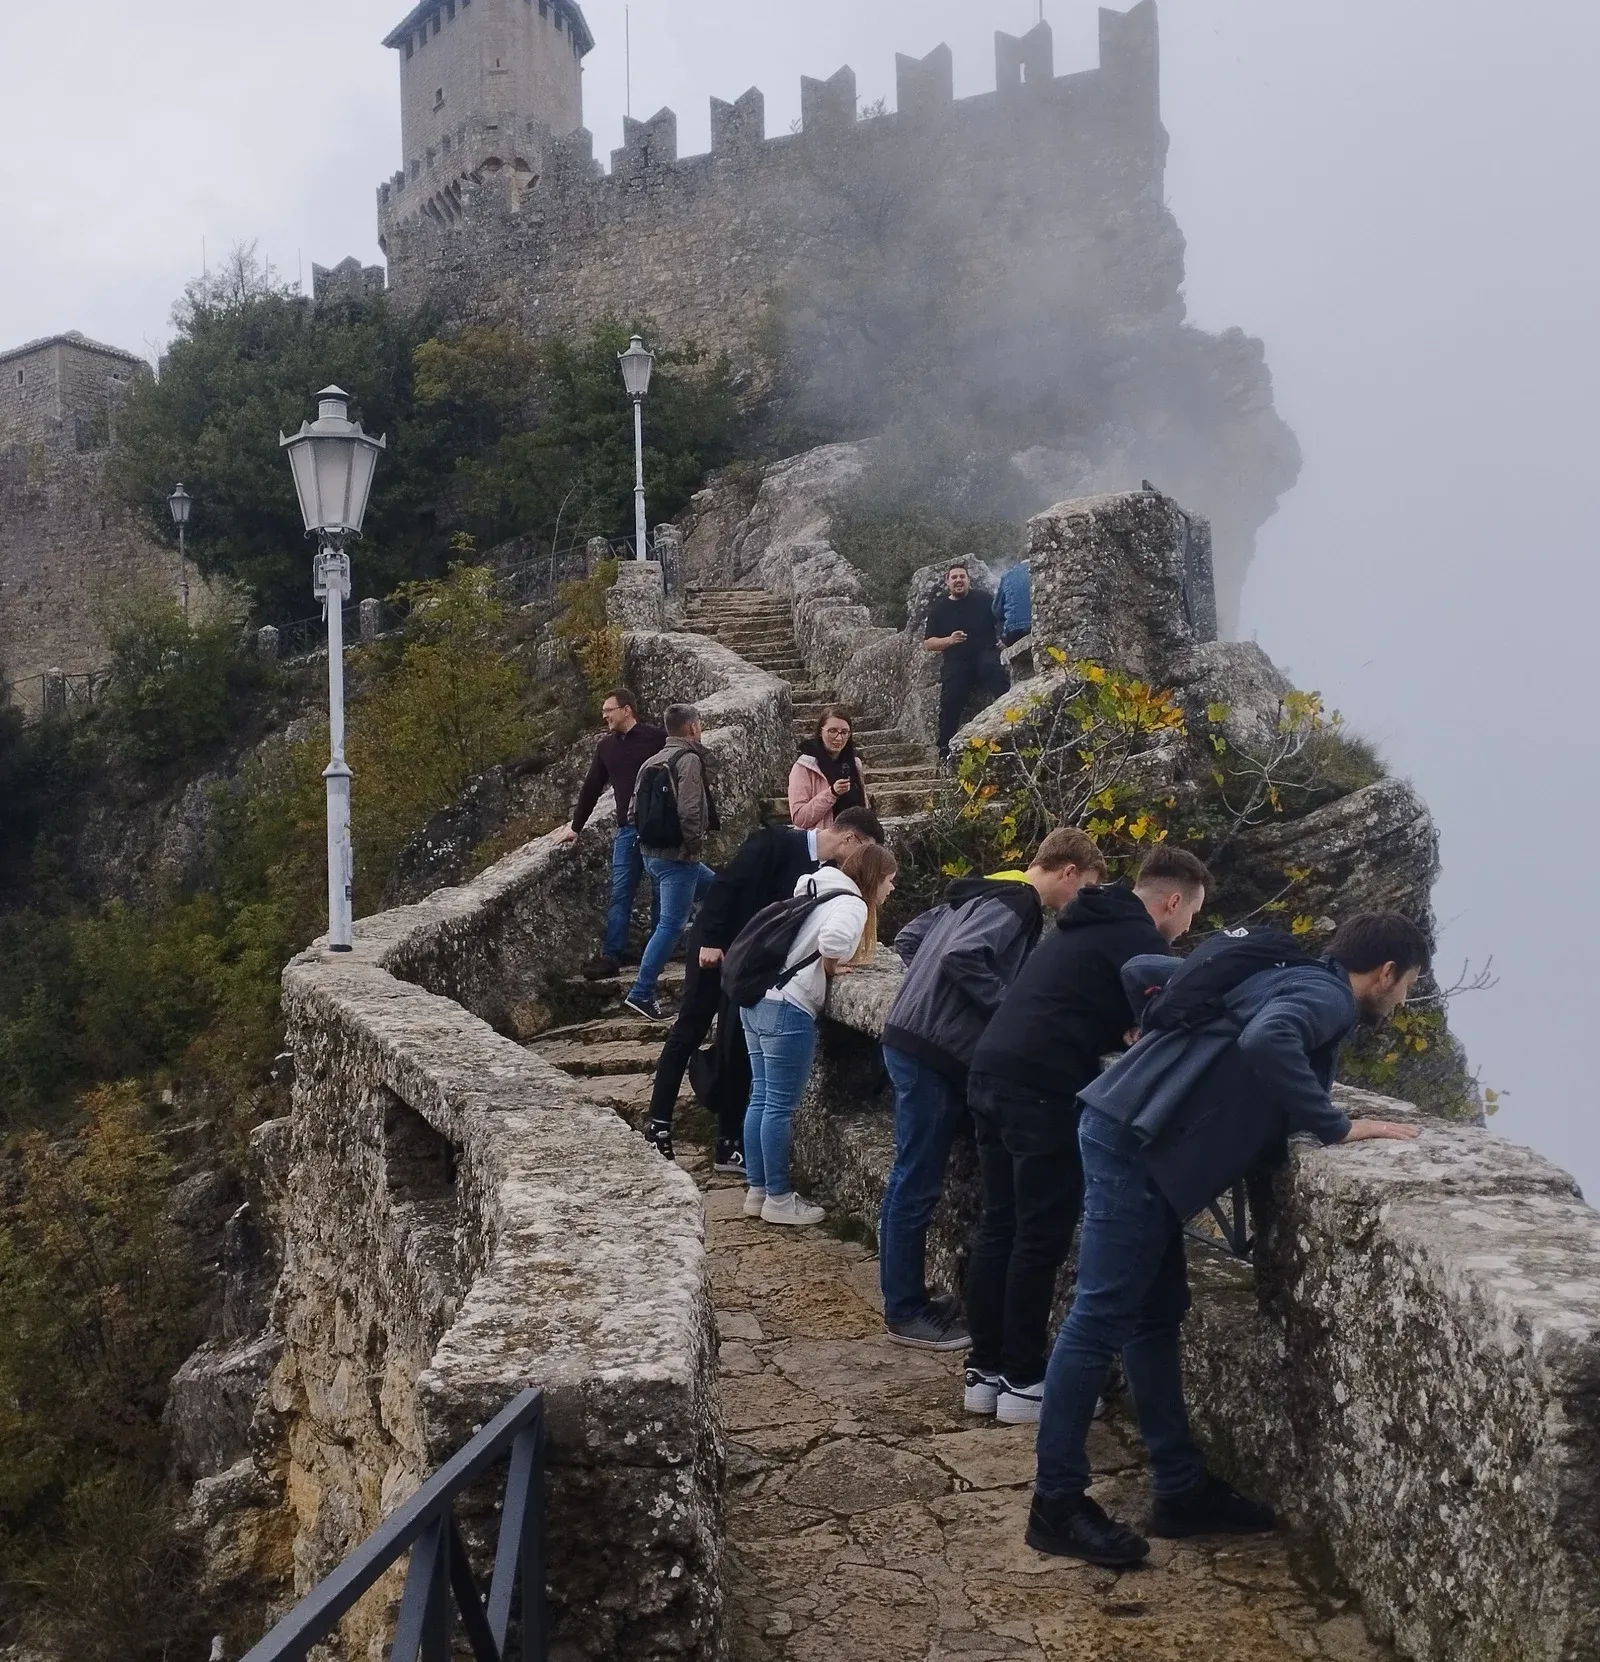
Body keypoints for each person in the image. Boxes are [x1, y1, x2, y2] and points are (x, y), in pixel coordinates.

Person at [1025, 911, 1430, 1570]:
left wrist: (1158, 1044)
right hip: (1137, 1144)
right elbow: (1269, 1039)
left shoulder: (1285, 972)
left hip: (1131, 1129)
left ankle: (1180, 1488)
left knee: (1154, 1315)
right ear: (1385, 972)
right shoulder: (1326, 997)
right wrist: (1332, 1124)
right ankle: (1056, 1504)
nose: (1404, 997)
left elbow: (1147, 970)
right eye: (1408, 983)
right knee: (1098, 1319)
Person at [963, 845, 1209, 1425]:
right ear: (1173, 902)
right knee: (1038, 1237)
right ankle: (1024, 1380)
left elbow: (1079, 1000)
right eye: (1192, 915)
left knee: (998, 1225)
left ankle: (984, 1372)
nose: (1186, 929)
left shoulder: (1082, 923)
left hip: (990, 1070)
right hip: (1041, 1087)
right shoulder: (1141, 944)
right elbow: (1171, 1022)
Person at [876, 830, 1094, 1350]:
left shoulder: (983, 888)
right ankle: (903, 1310)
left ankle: (908, 1296)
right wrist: (1011, 1013)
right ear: (1068, 872)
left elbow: (911, 939)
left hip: (908, 1036)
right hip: (933, 1051)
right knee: (914, 1181)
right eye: (1084, 888)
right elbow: (963, 957)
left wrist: (926, 995)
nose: (1078, 901)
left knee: (910, 1175)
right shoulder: (1020, 902)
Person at [643, 806, 887, 1171]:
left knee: (736, 1046)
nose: (864, 860)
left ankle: (729, 1142)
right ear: (850, 838)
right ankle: (658, 1125)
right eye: (865, 848)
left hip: (754, 966)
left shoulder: (825, 872)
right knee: (688, 1031)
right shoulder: (773, 842)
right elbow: (725, 885)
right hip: (718, 950)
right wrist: (711, 940)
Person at [742, 841, 900, 1227]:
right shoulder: (853, 904)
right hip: (788, 1007)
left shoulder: (816, 885)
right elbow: (832, 940)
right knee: (779, 1107)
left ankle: (757, 1190)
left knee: (761, 1098)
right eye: (889, 880)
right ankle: (779, 1198)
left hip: (757, 998)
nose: (891, 888)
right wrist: (829, 967)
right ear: (875, 878)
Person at [553, 688, 666, 980]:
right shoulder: (606, 747)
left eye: (609, 710)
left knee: (660, 891)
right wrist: (575, 827)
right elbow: (592, 787)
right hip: (627, 829)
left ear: (627, 710)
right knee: (620, 893)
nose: (605, 716)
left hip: (658, 828)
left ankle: (658, 955)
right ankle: (611, 956)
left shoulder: (656, 737)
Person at [623, 704, 719, 1023]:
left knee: (719, 890)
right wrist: (692, 847)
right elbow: (690, 811)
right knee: (671, 925)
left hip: (652, 854)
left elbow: (632, 812)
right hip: (679, 858)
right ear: (692, 728)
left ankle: (719, 953)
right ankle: (641, 992)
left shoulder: (651, 761)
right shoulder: (688, 759)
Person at [923, 563, 1010, 757]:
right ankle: (945, 748)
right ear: (947, 582)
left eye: (962, 576)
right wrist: (949, 640)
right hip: (957, 661)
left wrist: (1005, 639)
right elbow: (928, 643)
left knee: (996, 675)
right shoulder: (939, 610)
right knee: (951, 698)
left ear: (969, 580)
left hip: (985, 654)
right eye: (954, 577)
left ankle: (1012, 725)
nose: (958, 580)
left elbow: (1003, 618)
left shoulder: (985, 599)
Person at [788, 707, 871, 830]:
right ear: (821, 732)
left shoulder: (855, 764)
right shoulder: (804, 767)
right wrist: (832, 793)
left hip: (853, 838)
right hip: (821, 839)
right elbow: (799, 818)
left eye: (844, 732)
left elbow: (863, 807)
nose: (839, 738)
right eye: (832, 731)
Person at [993, 561, 1032, 647]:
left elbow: (997, 610)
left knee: (1001, 621)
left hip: (1014, 630)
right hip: (1037, 625)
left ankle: (1003, 645)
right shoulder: (1041, 572)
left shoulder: (1008, 575)